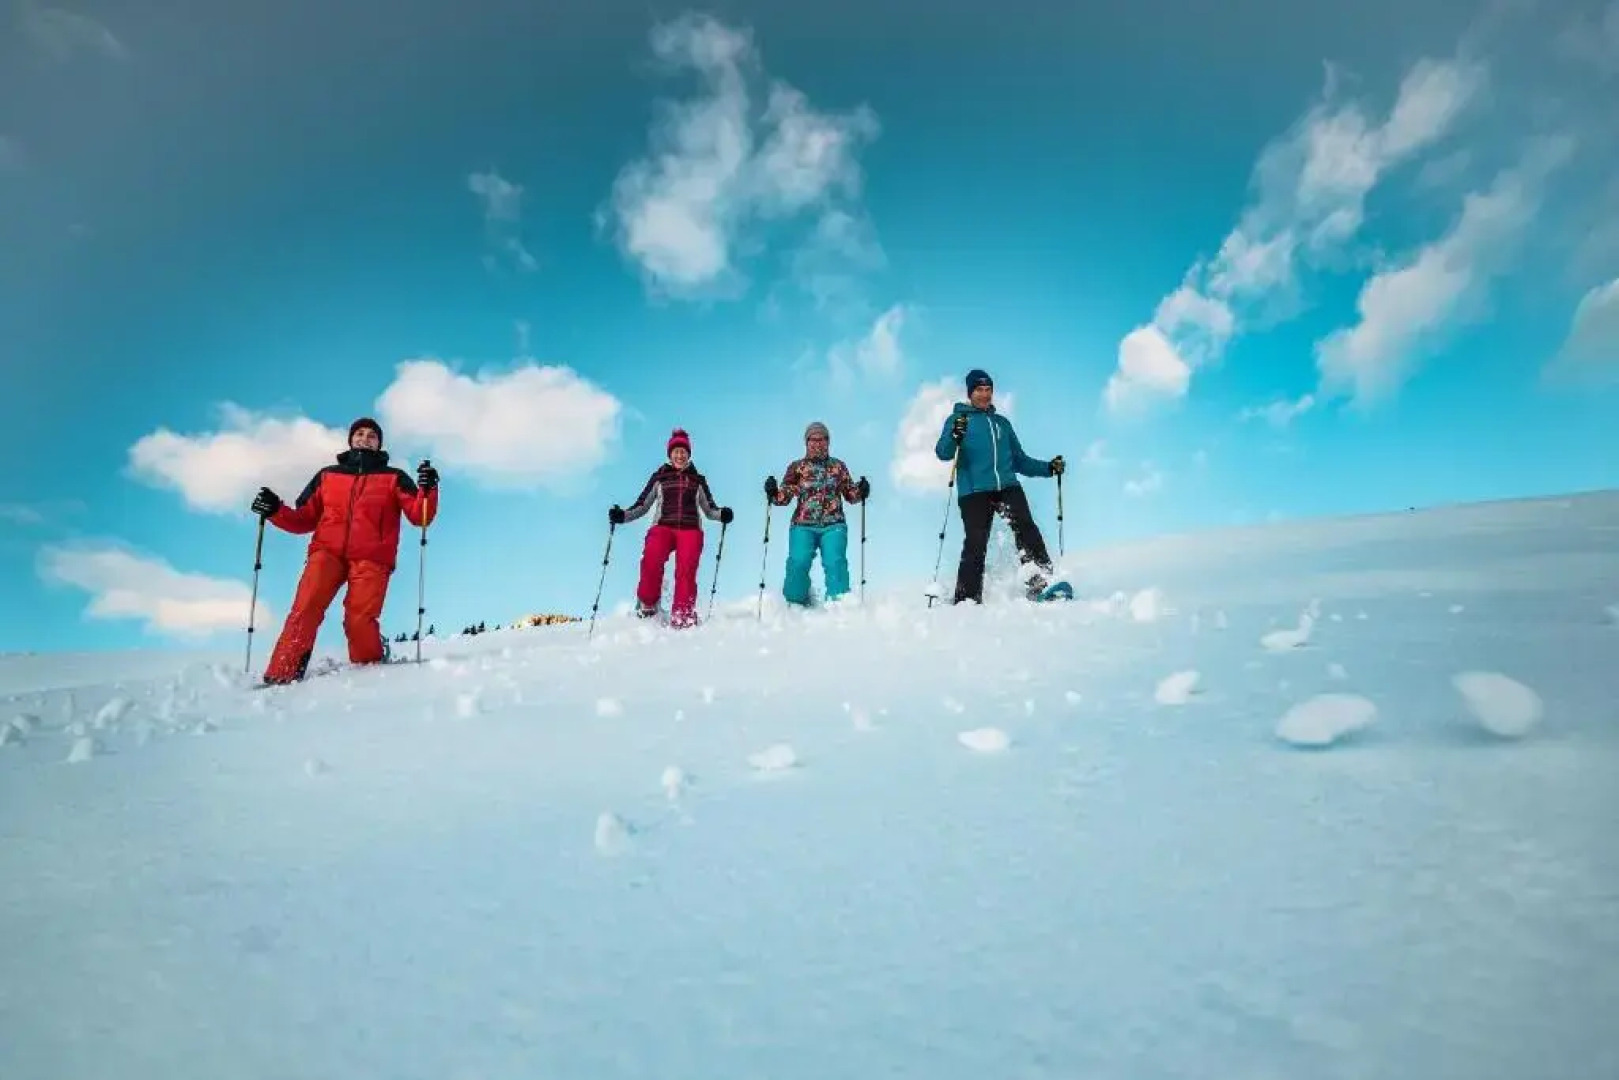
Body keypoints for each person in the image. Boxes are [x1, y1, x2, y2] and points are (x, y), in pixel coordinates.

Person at [251, 417, 439, 684]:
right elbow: (303, 519)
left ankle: (368, 670)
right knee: (305, 609)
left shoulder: (394, 478)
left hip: (372, 557)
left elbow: (420, 516)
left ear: (379, 444)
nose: (365, 438)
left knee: (359, 620)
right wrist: (275, 510)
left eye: (372, 435)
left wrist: (428, 488)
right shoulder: (327, 475)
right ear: (351, 440)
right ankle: (282, 672)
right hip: (326, 552)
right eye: (359, 433)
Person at [933, 368, 1065, 603]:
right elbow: (943, 453)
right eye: (979, 390)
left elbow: (1020, 461)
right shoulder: (958, 420)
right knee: (976, 543)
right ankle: (967, 600)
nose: (985, 395)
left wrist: (1048, 468)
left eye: (988, 390)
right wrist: (955, 435)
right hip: (974, 491)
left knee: (1026, 528)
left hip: (1007, 486)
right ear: (970, 392)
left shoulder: (1002, 423)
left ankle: (1042, 583)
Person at [609, 428, 733, 628]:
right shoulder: (660, 477)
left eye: (683, 451)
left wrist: (722, 514)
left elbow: (709, 509)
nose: (680, 455)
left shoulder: (698, 480)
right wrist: (622, 515)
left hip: (691, 529)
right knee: (651, 557)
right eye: (676, 451)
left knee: (686, 570)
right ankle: (648, 603)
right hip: (663, 526)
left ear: (689, 454)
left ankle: (683, 615)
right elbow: (642, 505)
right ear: (669, 454)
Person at [765, 421, 870, 606]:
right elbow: (784, 497)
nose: (817, 444)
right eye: (813, 440)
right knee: (798, 561)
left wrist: (861, 491)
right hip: (803, 525)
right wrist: (773, 493)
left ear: (828, 442)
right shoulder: (797, 467)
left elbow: (850, 494)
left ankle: (839, 603)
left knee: (835, 561)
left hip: (833, 524)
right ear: (806, 443)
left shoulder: (838, 467)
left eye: (821, 439)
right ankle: (795, 602)